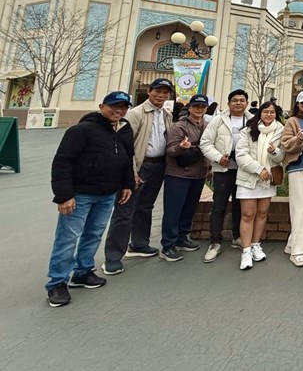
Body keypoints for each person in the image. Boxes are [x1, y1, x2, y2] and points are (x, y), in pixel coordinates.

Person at [45, 91, 135, 307]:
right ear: (102, 106)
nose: (119, 111)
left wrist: (126, 184)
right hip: (80, 195)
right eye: (115, 106)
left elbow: (124, 161)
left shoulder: (117, 132)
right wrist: (64, 195)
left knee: (93, 234)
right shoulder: (81, 130)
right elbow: (62, 162)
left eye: (123, 107)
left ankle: (83, 271)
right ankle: (57, 282)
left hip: (106, 195)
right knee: (68, 238)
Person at [102, 77, 174, 272]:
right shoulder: (135, 114)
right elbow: (126, 146)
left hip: (158, 165)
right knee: (124, 211)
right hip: (139, 167)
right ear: (149, 91)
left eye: (165, 92)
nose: (161, 95)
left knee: (145, 207)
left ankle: (139, 244)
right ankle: (113, 256)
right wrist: (132, 172)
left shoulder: (166, 114)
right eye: (158, 91)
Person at [199, 89, 250, 263]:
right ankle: (215, 242)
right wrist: (218, 158)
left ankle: (237, 237)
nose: (238, 103)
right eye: (234, 100)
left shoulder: (251, 121)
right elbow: (205, 143)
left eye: (241, 100)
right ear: (228, 103)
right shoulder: (218, 121)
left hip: (243, 171)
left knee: (240, 205)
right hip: (223, 170)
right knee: (219, 205)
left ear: (246, 103)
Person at [234, 100, 284, 271]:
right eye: (265, 112)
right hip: (250, 178)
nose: (269, 115)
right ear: (260, 113)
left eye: (272, 112)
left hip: (267, 179)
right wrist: (258, 168)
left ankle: (256, 244)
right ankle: (246, 250)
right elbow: (241, 155)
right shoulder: (248, 131)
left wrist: (274, 152)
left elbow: (281, 157)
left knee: (262, 213)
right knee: (248, 214)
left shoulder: (280, 130)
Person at [159, 94, 209, 262]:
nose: (199, 110)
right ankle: (168, 245)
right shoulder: (179, 126)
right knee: (173, 210)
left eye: (202, 107)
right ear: (190, 107)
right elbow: (170, 150)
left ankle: (182, 237)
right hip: (178, 174)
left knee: (189, 208)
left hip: (198, 174)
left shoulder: (207, 126)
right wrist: (181, 147)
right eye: (196, 106)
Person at [280, 91, 303, 267]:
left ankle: (291, 243)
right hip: (296, 167)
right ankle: (299, 251)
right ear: (297, 104)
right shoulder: (292, 121)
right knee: (302, 207)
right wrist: (297, 139)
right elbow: (285, 144)